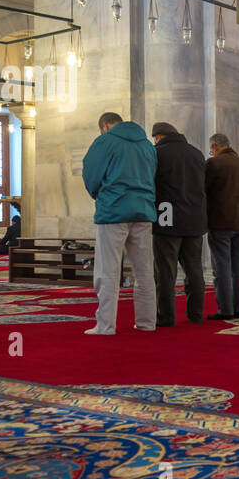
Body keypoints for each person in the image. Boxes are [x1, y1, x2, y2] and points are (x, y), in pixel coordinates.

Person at [82, 112, 158, 335]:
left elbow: (91, 176)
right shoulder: (146, 144)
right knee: (144, 271)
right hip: (143, 211)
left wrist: (102, 196)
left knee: (108, 270)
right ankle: (147, 322)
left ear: (104, 125)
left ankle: (105, 325)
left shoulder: (105, 142)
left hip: (113, 211)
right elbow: (153, 175)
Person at [151, 122, 207, 327]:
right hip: (194, 218)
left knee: (165, 272)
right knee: (194, 270)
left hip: (167, 217)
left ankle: (165, 317)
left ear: (158, 137)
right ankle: (196, 315)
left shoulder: (158, 154)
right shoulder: (196, 153)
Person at [204, 132, 239, 320]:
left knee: (222, 267)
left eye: (211, 149)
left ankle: (225, 310)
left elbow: (204, 190)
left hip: (220, 221)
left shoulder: (214, 164)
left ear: (215, 147)